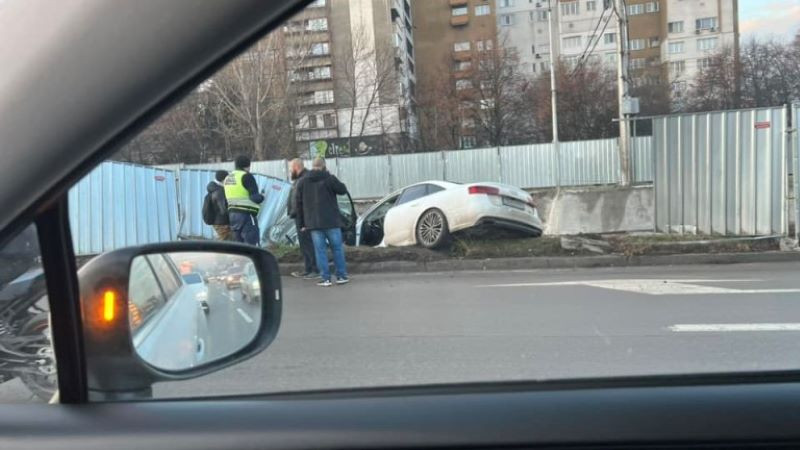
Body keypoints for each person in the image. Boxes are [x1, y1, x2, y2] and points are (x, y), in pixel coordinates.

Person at [296, 157, 349, 287]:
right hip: (331, 221)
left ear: (312, 166)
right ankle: (341, 276)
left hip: (313, 223)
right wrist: (330, 175)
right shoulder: (329, 178)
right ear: (324, 166)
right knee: (337, 249)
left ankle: (326, 278)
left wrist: (302, 223)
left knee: (320, 251)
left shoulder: (303, 181)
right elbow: (342, 190)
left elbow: (299, 203)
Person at [287, 159, 318, 279]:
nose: (290, 171)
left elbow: (306, 200)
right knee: (304, 245)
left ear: (296, 167)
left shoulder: (305, 179)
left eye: (290, 168)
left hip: (305, 218)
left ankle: (314, 270)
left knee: (308, 244)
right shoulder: (300, 179)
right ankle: (308, 268)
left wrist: (304, 219)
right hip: (299, 216)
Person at [224, 155, 264, 246]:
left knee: (239, 247)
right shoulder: (246, 176)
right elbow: (255, 198)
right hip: (246, 215)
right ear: (247, 166)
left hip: (232, 216)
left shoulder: (228, 178)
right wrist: (262, 197)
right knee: (252, 245)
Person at [203, 170, 233, 241]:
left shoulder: (213, 189)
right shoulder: (220, 191)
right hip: (223, 223)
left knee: (224, 242)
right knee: (226, 245)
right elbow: (223, 210)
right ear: (224, 179)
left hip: (218, 222)